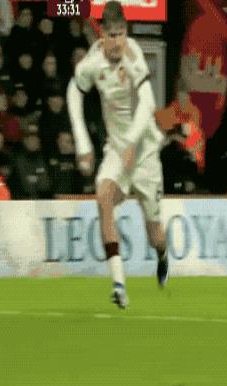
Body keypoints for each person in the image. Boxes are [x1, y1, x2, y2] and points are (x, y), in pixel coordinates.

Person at [66, 1, 168, 309]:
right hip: (117, 149)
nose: (117, 41)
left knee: (155, 234)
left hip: (144, 151)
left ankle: (163, 255)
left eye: (121, 33)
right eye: (111, 35)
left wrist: (132, 144)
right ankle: (119, 284)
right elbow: (74, 91)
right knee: (104, 197)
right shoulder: (92, 62)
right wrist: (83, 143)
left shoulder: (133, 54)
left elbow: (148, 103)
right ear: (102, 34)